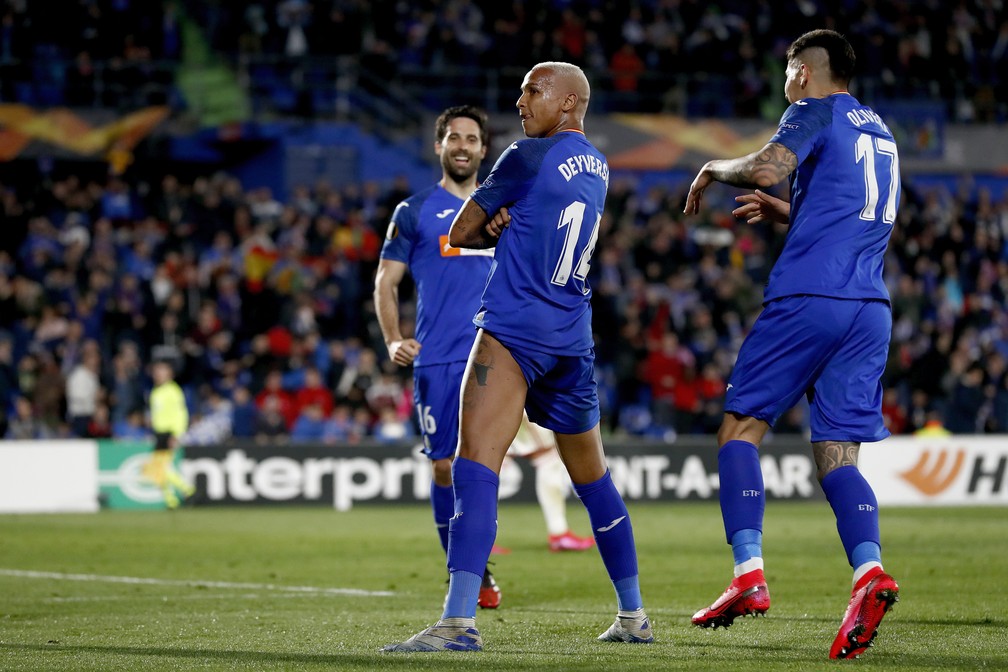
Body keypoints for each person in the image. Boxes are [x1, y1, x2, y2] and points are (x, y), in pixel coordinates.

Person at [383, 62, 652, 653]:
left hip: (512, 331)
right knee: (593, 476)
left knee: (475, 463)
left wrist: (494, 227)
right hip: (572, 338)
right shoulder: (600, 167)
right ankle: (633, 614)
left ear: (569, 102)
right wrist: (512, 225)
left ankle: (457, 623)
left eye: (534, 90)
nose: (520, 100)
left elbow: (460, 231)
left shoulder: (524, 158)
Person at [683, 29, 900, 659]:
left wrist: (712, 167)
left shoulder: (812, 110)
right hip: (869, 306)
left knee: (739, 431)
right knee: (838, 455)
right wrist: (789, 214)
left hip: (810, 297)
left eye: (787, 70)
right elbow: (860, 210)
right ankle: (868, 574)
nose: (785, 81)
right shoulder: (880, 131)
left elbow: (766, 167)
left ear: (804, 72)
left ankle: (748, 574)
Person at [373, 104, 596, 616]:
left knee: (513, 460)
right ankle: (470, 575)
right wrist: (392, 338)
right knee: (446, 466)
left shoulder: (510, 208)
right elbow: (387, 280)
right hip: (440, 360)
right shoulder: (413, 212)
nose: (462, 146)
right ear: (439, 146)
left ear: (482, 149)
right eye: (453, 137)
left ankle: (497, 567)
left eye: (472, 139)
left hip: (506, 353)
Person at [141, 360, 196, 509]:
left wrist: (177, 434)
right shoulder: (155, 391)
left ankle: (186, 489)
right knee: (158, 468)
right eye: (156, 371)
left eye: (161, 371)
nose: (157, 374)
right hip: (158, 433)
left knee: (160, 467)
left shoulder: (173, 391)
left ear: (169, 374)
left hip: (169, 433)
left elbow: (181, 413)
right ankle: (171, 499)